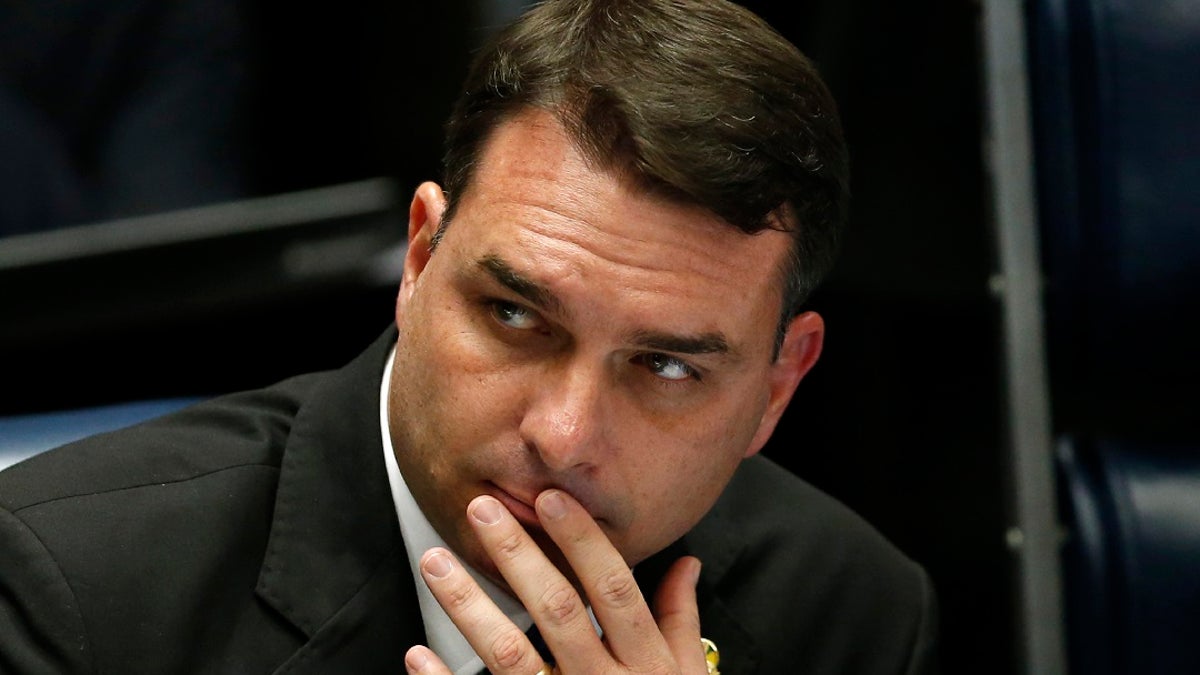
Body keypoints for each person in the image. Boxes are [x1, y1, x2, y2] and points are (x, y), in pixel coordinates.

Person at [0, 0, 939, 673]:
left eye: (664, 365)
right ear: (419, 259)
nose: (564, 437)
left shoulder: (848, 608)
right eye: (515, 316)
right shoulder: (74, 586)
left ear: (778, 385)